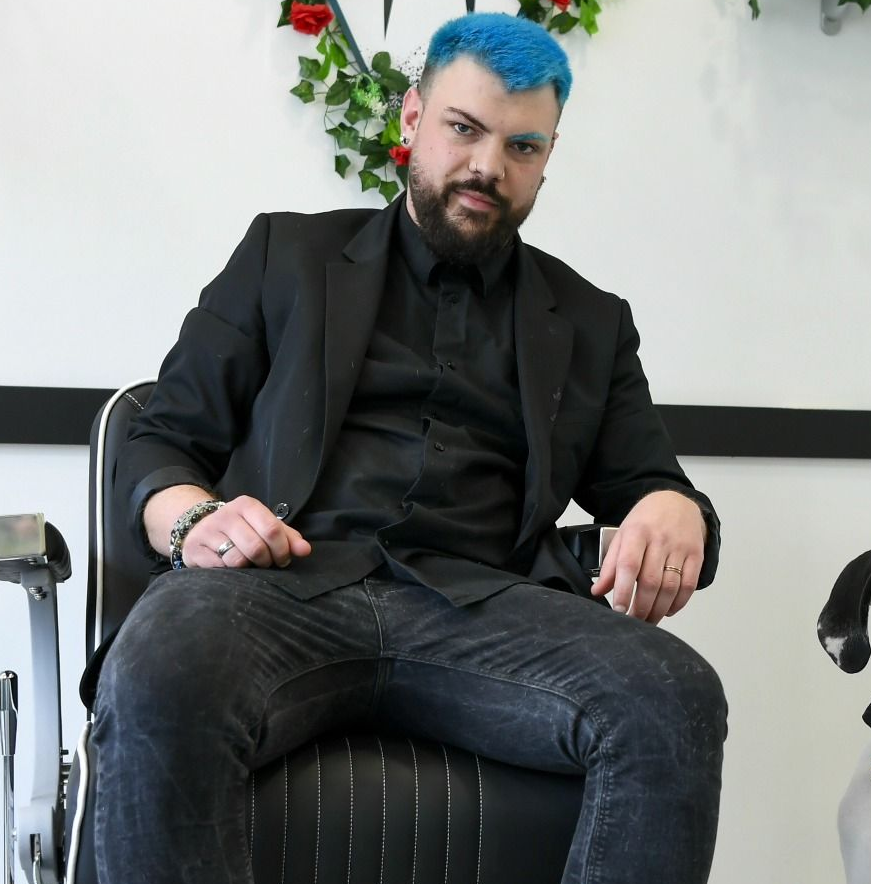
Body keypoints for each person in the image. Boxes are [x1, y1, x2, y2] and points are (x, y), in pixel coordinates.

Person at [91, 13, 726, 884]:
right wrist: (193, 519)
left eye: (523, 146)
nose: (487, 167)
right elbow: (159, 439)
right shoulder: (287, 254)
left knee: (675, 698)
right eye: (464, 129)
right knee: (164, 655)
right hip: (284, 589)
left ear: (547, 158)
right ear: (411, 120)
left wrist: (671, 507)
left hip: (487, 616)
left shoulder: (590, 322)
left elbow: (657, 487)